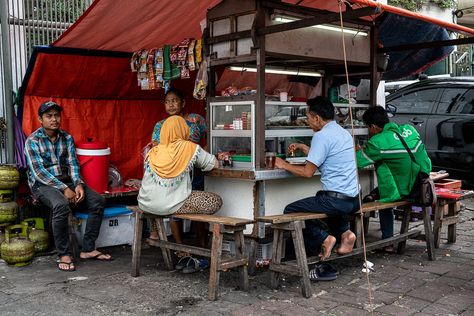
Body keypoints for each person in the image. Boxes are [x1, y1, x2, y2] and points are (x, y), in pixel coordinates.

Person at [25, 101, 111, 272]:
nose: (54, 119)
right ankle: (63, 253)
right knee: (61, 205)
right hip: (42, 185)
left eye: (56, 115)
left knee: (98, 201)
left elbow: (73, 164)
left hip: (67, 181)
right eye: (49, 116)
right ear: (40, 119)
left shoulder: (67, 138)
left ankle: (87, 248)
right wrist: (64, 188)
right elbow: (38, 172)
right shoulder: (32, 140)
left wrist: (78, 184)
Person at [274, 96, 359, 261]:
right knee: (323, 199)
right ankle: (346, 233)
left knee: (290, 210)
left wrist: (283, 164)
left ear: (317, 118)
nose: (307, 121)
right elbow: (327, 157)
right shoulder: (343, 133)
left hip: (337, 201)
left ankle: (324, 238)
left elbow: (307, 172)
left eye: (308, 117)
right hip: (354, 200)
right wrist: (304, 148)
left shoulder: (321, 136)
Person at [138, 115, 222, 273]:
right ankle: (201, 252)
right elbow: (213, 163)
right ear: (183, 130)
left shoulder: (153, 151)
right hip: (170, 205)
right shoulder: (189, 147)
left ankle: (183, 251)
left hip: (146, 203)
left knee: (170, 198)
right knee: (215, 201)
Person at [356, 106, 431, 252]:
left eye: (368, 127)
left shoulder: (377, 141)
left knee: (385, 198)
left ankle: (388, 243)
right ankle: (374, 196)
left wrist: (359, 150)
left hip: (408, 191)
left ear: (372, 126)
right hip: (423, 184)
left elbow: (357, 162)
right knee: (385, 174)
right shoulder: (410, 129)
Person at [149, 88, 208, 251]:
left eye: (174, 100)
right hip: (173, 173)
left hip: (195, 171)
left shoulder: (196, 120)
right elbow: (155, 147)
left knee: (198, 209)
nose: (171, 105)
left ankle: (202, 246)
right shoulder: (160, 125)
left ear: (183, 103)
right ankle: (180, 249)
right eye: (167, 102)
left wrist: (203, 152)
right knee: (175, 209)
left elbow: (211, 135)